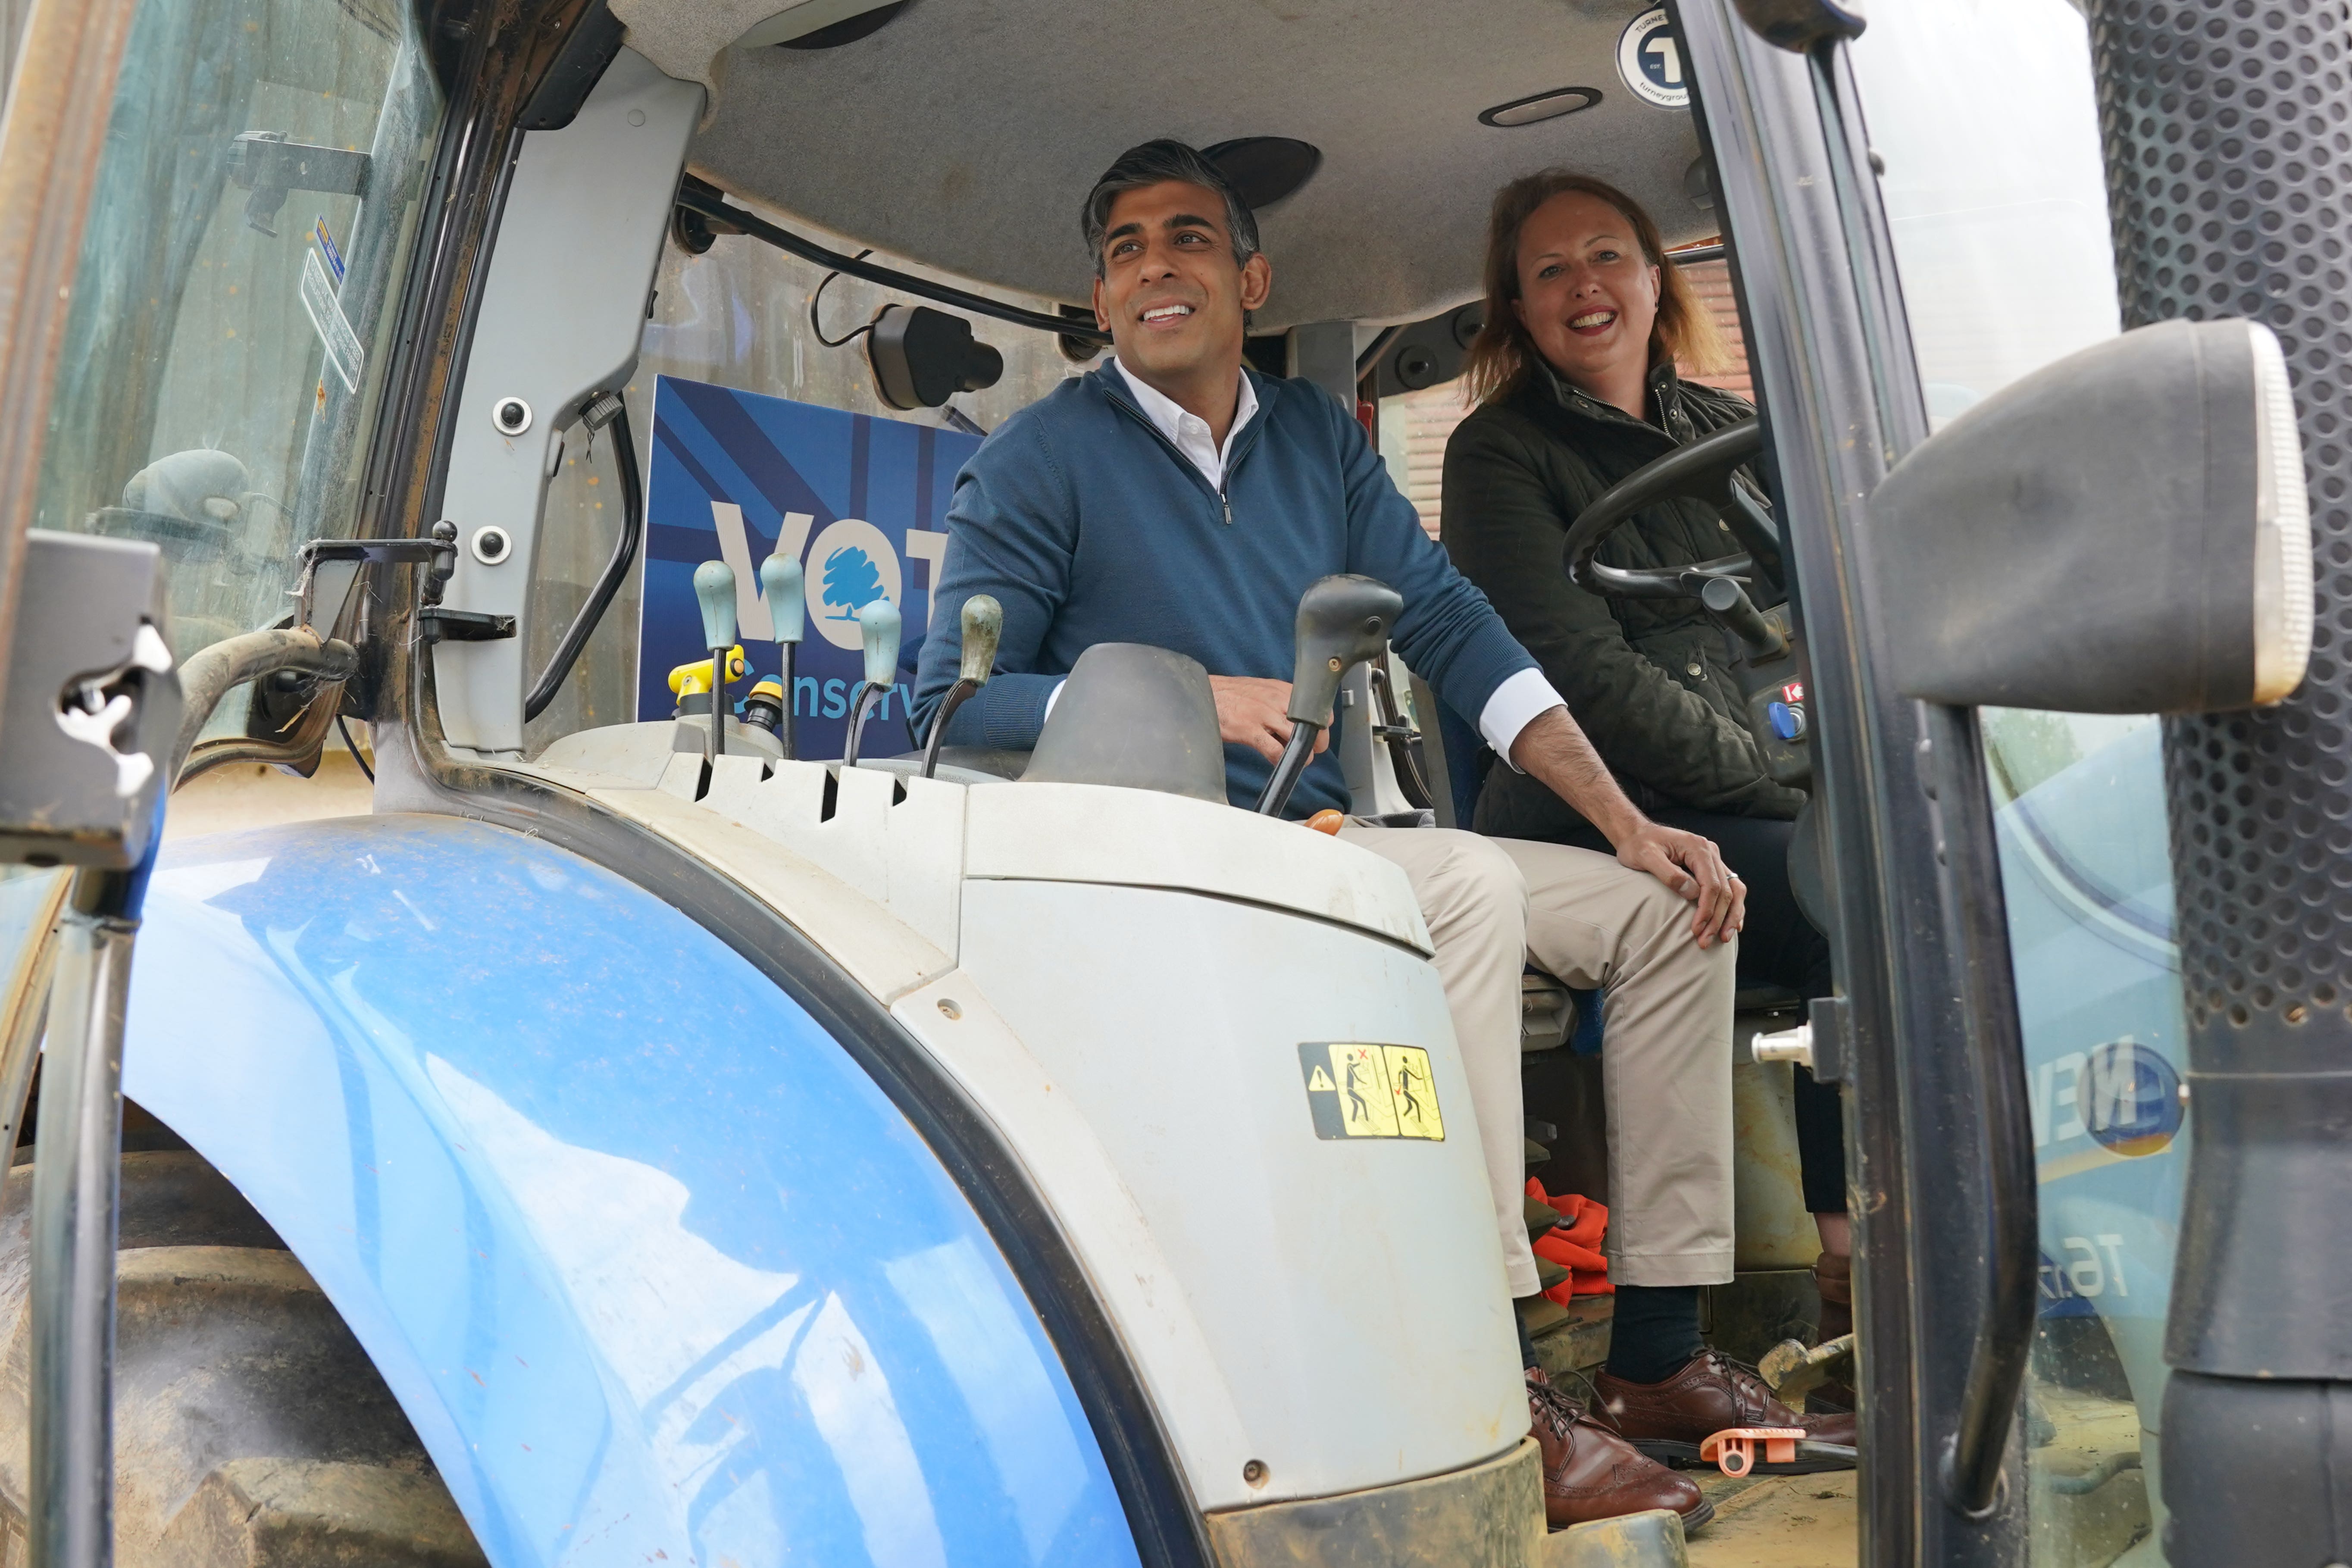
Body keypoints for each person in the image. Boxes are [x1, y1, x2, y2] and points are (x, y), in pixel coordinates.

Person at [912, 140, 1854, 1528]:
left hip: (1317, 840)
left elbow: (1462, 631)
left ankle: (1656, 1361)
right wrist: (1183, 690)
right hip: (1161, 866)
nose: (1155, 264)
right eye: (1124, 249)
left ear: (1252, 277)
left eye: (1187, 238)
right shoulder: (1041, 459)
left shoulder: (1313, 441)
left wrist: (1627, 821)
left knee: (1671, 910)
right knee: (1462, 883)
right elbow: (959, 701)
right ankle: (1487, 1378)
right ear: (1104, 302)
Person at [1437, 170, 1856, 1413]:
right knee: (1857, 892)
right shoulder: (1499, 454)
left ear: (1655, 273)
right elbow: (1585, 684)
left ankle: (1887, 1279)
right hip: (1592, 819)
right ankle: (1846, 1268)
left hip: (1768, 796)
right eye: (1552, 270)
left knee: (1917, 881)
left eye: (1609, 256)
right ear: (1517, 304)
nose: (1586, 287)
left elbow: (1829, 625)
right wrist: (1800, 809)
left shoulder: (1730, 434)